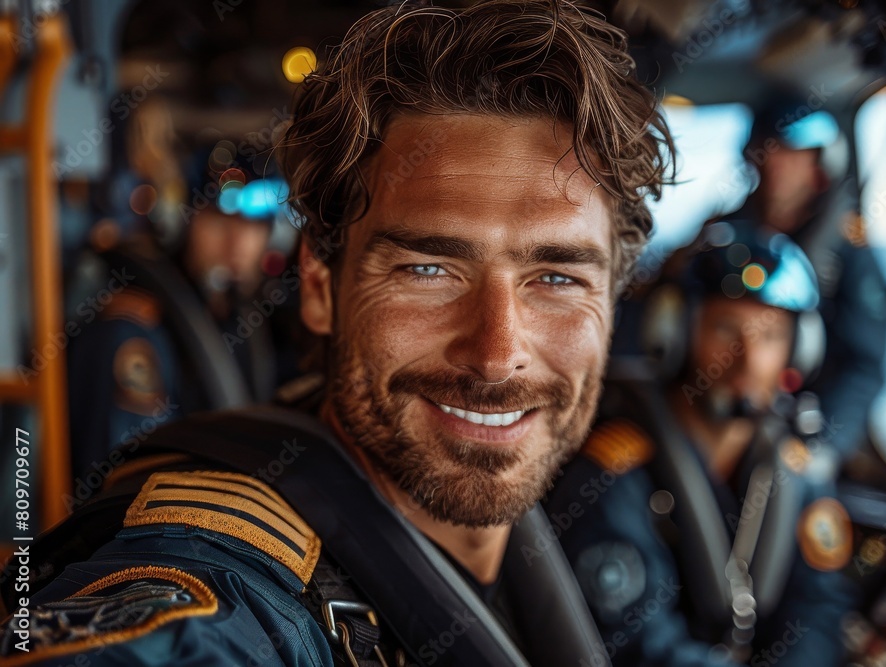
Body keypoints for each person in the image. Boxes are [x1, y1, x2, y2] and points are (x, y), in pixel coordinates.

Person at [0, 1, 674, 665]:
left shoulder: (531, 564)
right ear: (320, 287)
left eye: (557, 278)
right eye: (428, 269)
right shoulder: (223, 583)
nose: (498, 355)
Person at [545, 221, 857, 666]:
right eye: (727, 331)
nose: (748, 359)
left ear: (799, 351)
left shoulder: (798, 474)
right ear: (674, 332)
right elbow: (634, 642)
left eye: (769, 337)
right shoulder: (613, 474)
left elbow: (820, 609)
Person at [65, 147, 287, 482]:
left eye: (254, 225)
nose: (237, 242)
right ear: (186, 219)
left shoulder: (240, 320)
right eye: (219, 219)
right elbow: (120, 483)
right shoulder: (134, 328)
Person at [728, 107, 886, 460]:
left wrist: (820, 451)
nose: (776, 163)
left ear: (819, 164)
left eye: (791, 151)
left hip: (801, 429)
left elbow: (863, 366)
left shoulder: (848, 251)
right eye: (767, 150)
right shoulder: (724, 236)